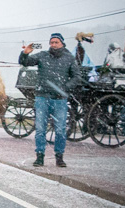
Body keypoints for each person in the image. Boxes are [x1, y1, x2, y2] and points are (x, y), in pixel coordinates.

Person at [19, 32, 80, 168]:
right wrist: (25, 53)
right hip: (42, 97)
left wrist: (64, 88)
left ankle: (59, 157)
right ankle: (39, 156)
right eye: (51, 42)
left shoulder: (69, 58)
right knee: (40, 129)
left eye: (56, 42)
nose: (53, 45)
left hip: (60, 99)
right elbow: (25, 62)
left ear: (62, 43)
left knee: (60, 130)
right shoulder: (42, 55)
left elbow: (76, 76)